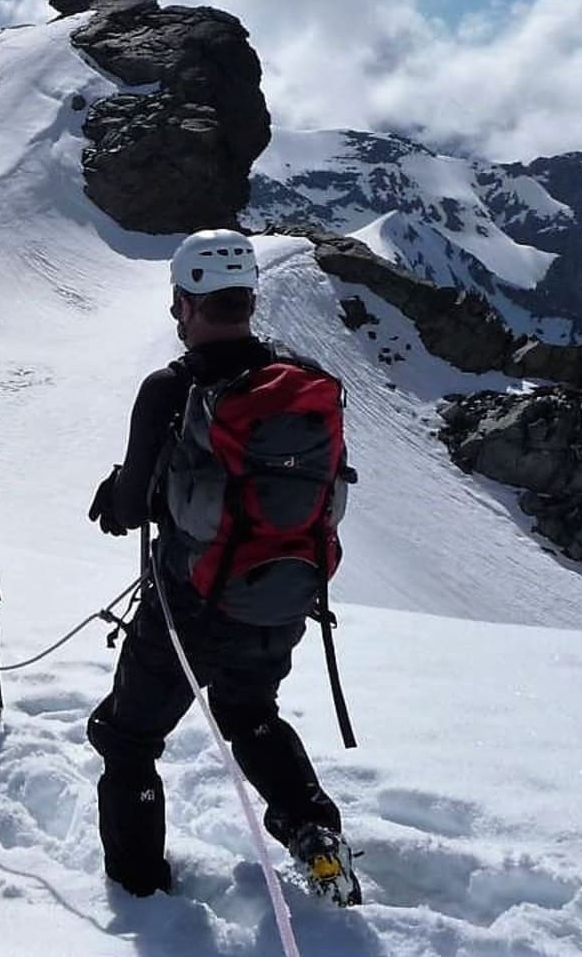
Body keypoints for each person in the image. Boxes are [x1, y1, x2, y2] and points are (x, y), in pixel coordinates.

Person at [85, 229, 358, 904]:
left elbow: (127, 506)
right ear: (248, 298)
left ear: (185, 302)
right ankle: (316, 837)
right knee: (250, 712)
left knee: (126, 738)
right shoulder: (298, 379)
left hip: (190, 605)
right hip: (283, 595)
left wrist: (118, 492)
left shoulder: (172, 388)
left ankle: (140, 892)